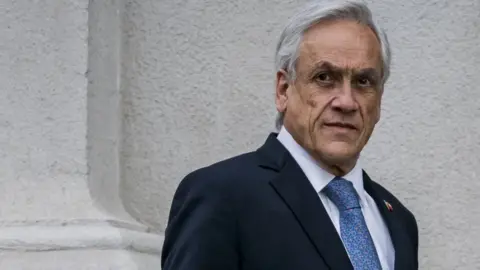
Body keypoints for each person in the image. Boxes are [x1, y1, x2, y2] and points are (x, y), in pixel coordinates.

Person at [161, 1, 419, 269]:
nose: (346, 101)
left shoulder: (399, 221)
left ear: (379, 101)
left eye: (363, 82)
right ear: (284, 90)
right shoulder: (221, 196)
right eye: (324, 77)